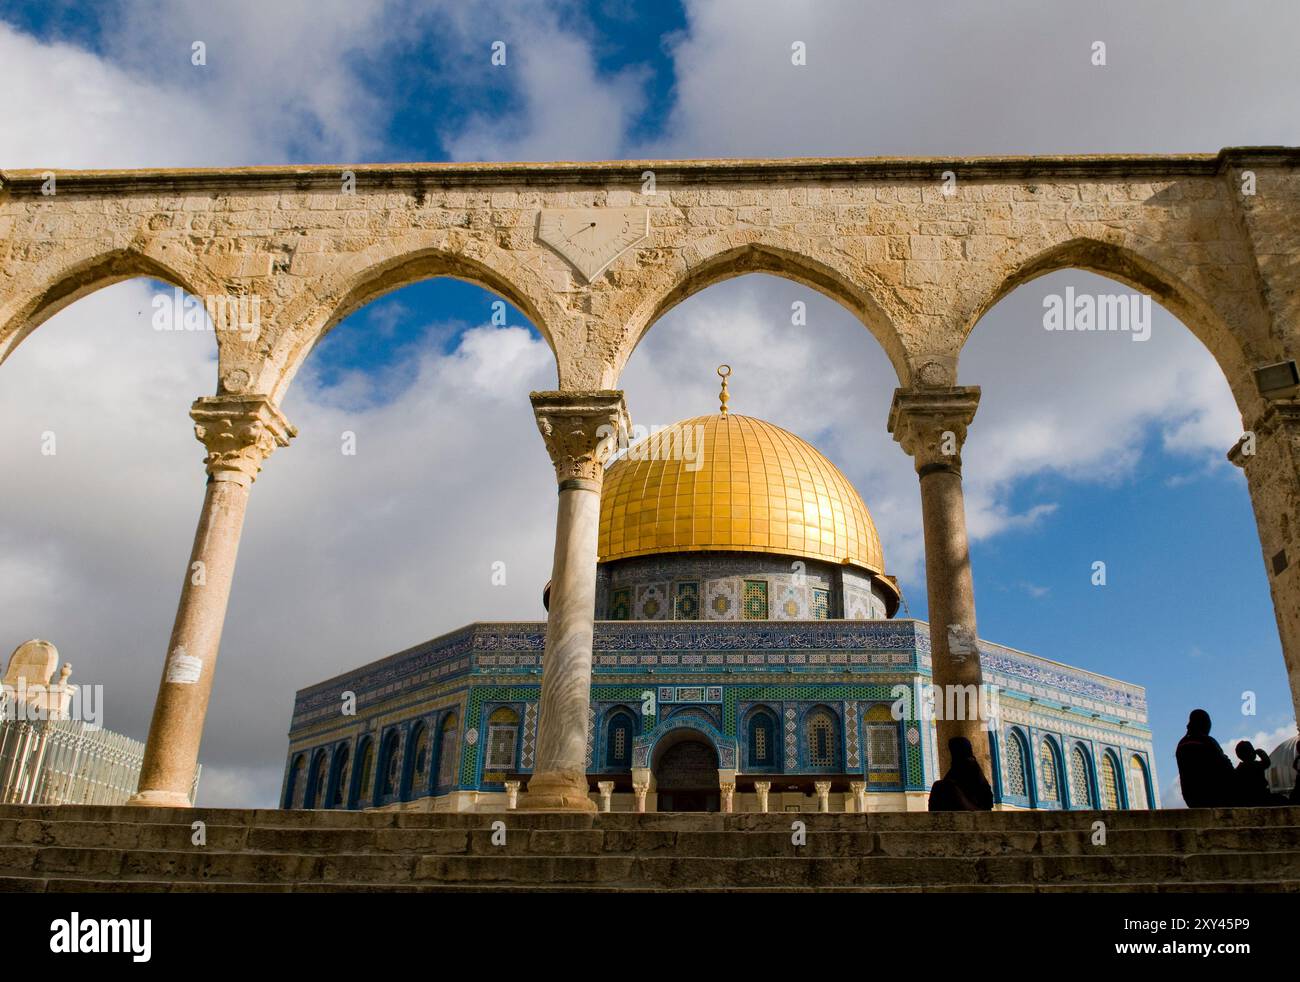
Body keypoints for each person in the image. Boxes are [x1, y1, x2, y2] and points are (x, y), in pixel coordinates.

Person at [1175, 709, 1234, 807]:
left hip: (1192, 799)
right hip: (1213, 796)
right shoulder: (1206, 742)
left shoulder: (1181, 745)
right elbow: (1227, 768)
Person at [928, 736, 993, 811]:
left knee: (940, 786)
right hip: (971, 806)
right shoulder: (964, 765)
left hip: (975, 809)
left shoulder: (968, 764)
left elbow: (985, 797)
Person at [1231, 740, 1275, 805]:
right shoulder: (1256, 765)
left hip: (1247, 798)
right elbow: (1267, 762)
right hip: (1261, 795)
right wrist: (1260, 752)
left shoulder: (1239, 769)